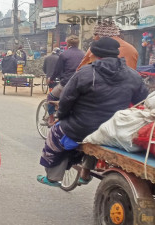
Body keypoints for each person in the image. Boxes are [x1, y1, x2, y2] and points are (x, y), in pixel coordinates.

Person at [37, 37, 148, 187]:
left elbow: (66, 100)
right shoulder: (133, 75)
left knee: (56, 132)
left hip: (81, 127)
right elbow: (142, 102)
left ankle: (53, 177)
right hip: (114, 129)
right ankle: (85, 173)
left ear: (94, 54)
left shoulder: (85, 73)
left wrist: (61, 117)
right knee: (95, 135)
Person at [47, 35, 85, 125]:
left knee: (50, 97)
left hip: (66, 83)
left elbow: (57, 70)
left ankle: (51, 118)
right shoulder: (84, 54)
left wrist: (50, 79)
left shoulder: (64, 54)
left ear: (67, 44)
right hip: (82, 83)